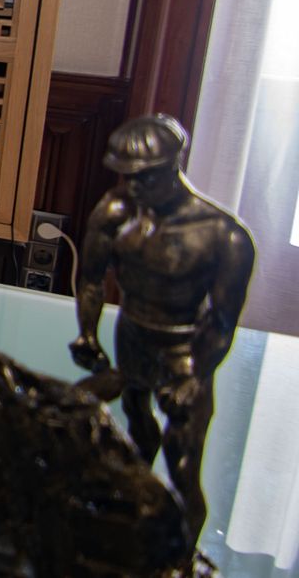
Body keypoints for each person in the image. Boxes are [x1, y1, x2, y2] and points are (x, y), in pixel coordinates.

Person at [69, 114, 255, 542]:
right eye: (127, 176)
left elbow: (222, 321)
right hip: (132, 336)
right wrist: (88, 333)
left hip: (184, 348)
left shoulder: (223, 236)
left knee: (184, 463)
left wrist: (195, 376)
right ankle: (137, 540)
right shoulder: (116, 213)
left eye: (145, 177)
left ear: (172, 167)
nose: (133, 187)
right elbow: (92, 278)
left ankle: (185, 555)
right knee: (135, 444)